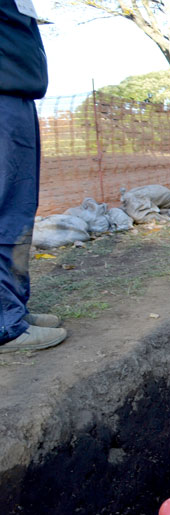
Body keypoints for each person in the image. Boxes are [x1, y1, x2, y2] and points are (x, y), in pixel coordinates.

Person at [0, 0, 67, 353]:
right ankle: (5, 324)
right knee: (4, 211)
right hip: (3, 98)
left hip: (17, 95)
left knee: (18, 213)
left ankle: (14, 310)